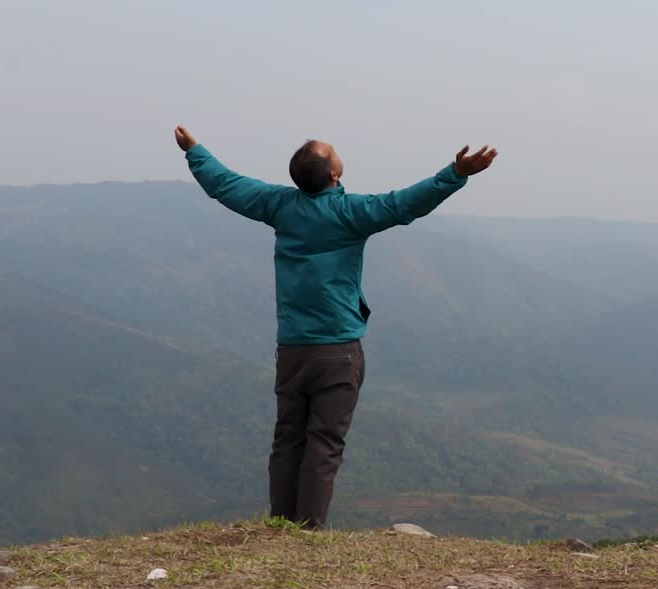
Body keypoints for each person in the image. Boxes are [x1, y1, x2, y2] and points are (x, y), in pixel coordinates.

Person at [173, 125, 498, 529]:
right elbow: (403, 205)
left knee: (287, 441)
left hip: (292, 348)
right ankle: (308, 531)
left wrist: (195, 151)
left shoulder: (280, 206)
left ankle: (280, 525)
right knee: (324, 444)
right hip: (338, 349)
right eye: (332, 152)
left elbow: (227, 185)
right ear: (333, 176)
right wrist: (455, 173)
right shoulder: (350, 213)